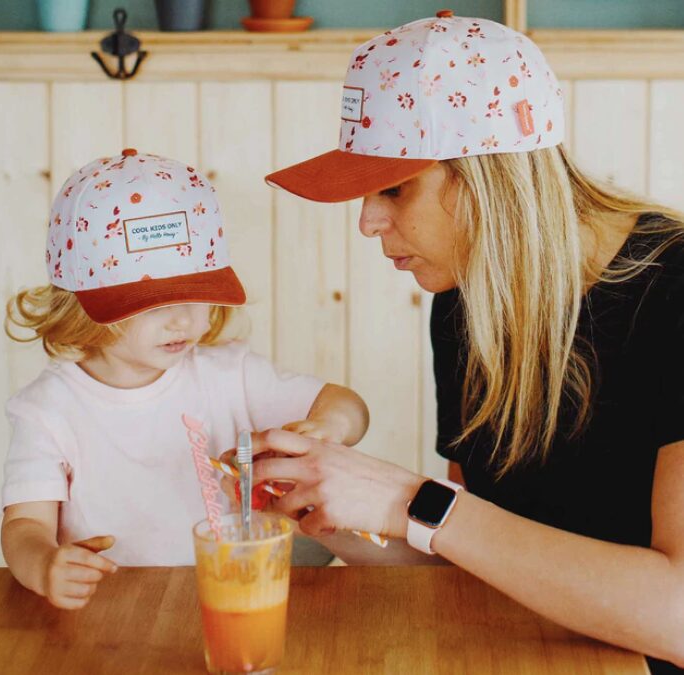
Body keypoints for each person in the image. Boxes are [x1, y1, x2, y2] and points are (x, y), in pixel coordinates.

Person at [227, 12, 684, 674]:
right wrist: (323, 502)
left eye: (393, 188)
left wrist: (409, 500)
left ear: (488, 179)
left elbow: (678, 615)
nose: (367, 221)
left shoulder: (674, 294)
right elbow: (477, 559)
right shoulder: (466, 298)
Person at [0, 149, 369, 610]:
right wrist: (44, 566)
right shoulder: (48, 409)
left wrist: (328, 427)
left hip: (234, 603)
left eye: (198, 294)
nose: (183, 320)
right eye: (153, 303)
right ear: (83, 305)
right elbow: (24, 526)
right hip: (111, 617)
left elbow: (348, 405)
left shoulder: (231, 374)